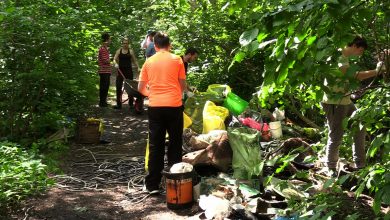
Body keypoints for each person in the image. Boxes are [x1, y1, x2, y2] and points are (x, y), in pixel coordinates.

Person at [322, 36, 385, 174]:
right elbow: (354, 76)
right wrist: (377, 71)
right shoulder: (338, 57)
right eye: (360, 50)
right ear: (355, 46)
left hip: (345, 100)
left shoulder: (344, 57)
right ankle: (331, 167)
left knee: (359, 124)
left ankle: (360, 163)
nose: (360, 54)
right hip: (334, 102)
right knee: (336, 134)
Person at [138, 32, 186, 194]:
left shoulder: (149, 62)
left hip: (156, 107)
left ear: (155, 46)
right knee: (175, 144)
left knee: (156, 145)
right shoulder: (177, 59)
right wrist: (175, 95)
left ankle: (152, 185)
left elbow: (140, 88)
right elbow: (182, 85)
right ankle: (174, 183)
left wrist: (150, 94)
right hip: (174, 106)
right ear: (169, 45)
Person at [113, 37, 140, 109]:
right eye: (124, 43)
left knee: (130, 87)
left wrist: (138, 67)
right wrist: (115, 63)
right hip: (120, 71)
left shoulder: (130, 51)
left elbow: (134, 60)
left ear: (128, 44)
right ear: (122, 44)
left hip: (128, 71)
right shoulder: (119, 51)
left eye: (126, 43)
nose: (125, 45)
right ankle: (119, 104)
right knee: (118, 86)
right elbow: (114, 59)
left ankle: (131, 103)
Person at [98, 32, 112, 107]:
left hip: (106, 70)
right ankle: (102, 102)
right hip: (104, 71)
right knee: (103, 87)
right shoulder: (103, 49)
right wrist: (112, 61)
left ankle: (104, 101)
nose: (110, 41)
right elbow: (104, 60)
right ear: (106, 40)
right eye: (109, 39)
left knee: (106, 86)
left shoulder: (105, 48)